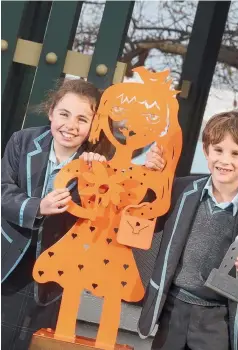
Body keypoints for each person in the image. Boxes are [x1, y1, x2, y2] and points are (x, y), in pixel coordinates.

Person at [0, 79, 163, 349]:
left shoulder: (101, 158)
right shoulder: (24, 141)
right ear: (51, 111)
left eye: (82, 119)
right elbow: (2, 191)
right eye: (64, 114)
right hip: (8, 262)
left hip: (57, 272)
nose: (70, 126)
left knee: (36, 341)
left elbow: (123, 204)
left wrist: (147, 172)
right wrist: (37, 206)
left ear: (94, 125)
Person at [138, 109, 238, 350]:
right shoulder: (180, 190)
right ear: (206, 151)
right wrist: (149, 178)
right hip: (172, 311)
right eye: (218, 150)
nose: (224, 161)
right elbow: (142, 220)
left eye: (236, 154)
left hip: (220, 321)